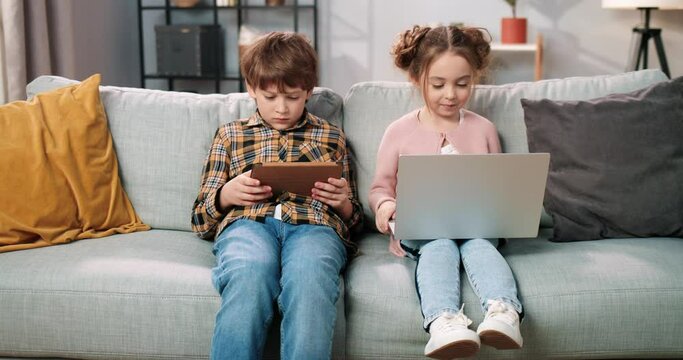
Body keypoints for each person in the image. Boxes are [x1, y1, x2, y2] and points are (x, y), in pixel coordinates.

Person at [191, 32, 362, 360]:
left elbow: (354, 223)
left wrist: (342, 203)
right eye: (270, 97)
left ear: (309, 90)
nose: (282, 108)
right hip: (248, 225)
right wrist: (226, 194)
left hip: (314, 227)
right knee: (249, 272)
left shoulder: (332, 137)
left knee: (311, 277)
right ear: (251, 88)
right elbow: (200, 220)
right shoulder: (230, 135)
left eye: (293, 97)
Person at [369, 24, 524, 359]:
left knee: (480, 245)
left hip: (476, 227)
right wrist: (385, 207)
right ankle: (443, 322)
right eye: (438, 84)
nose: (450, 94)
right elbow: (381, 187)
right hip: (423, 230)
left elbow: (499, 184)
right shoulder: (398, 132)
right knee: (438, 246)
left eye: (462, 84)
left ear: (475, 79)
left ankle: (503, 312)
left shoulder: (484, 130)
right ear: (416, 78)